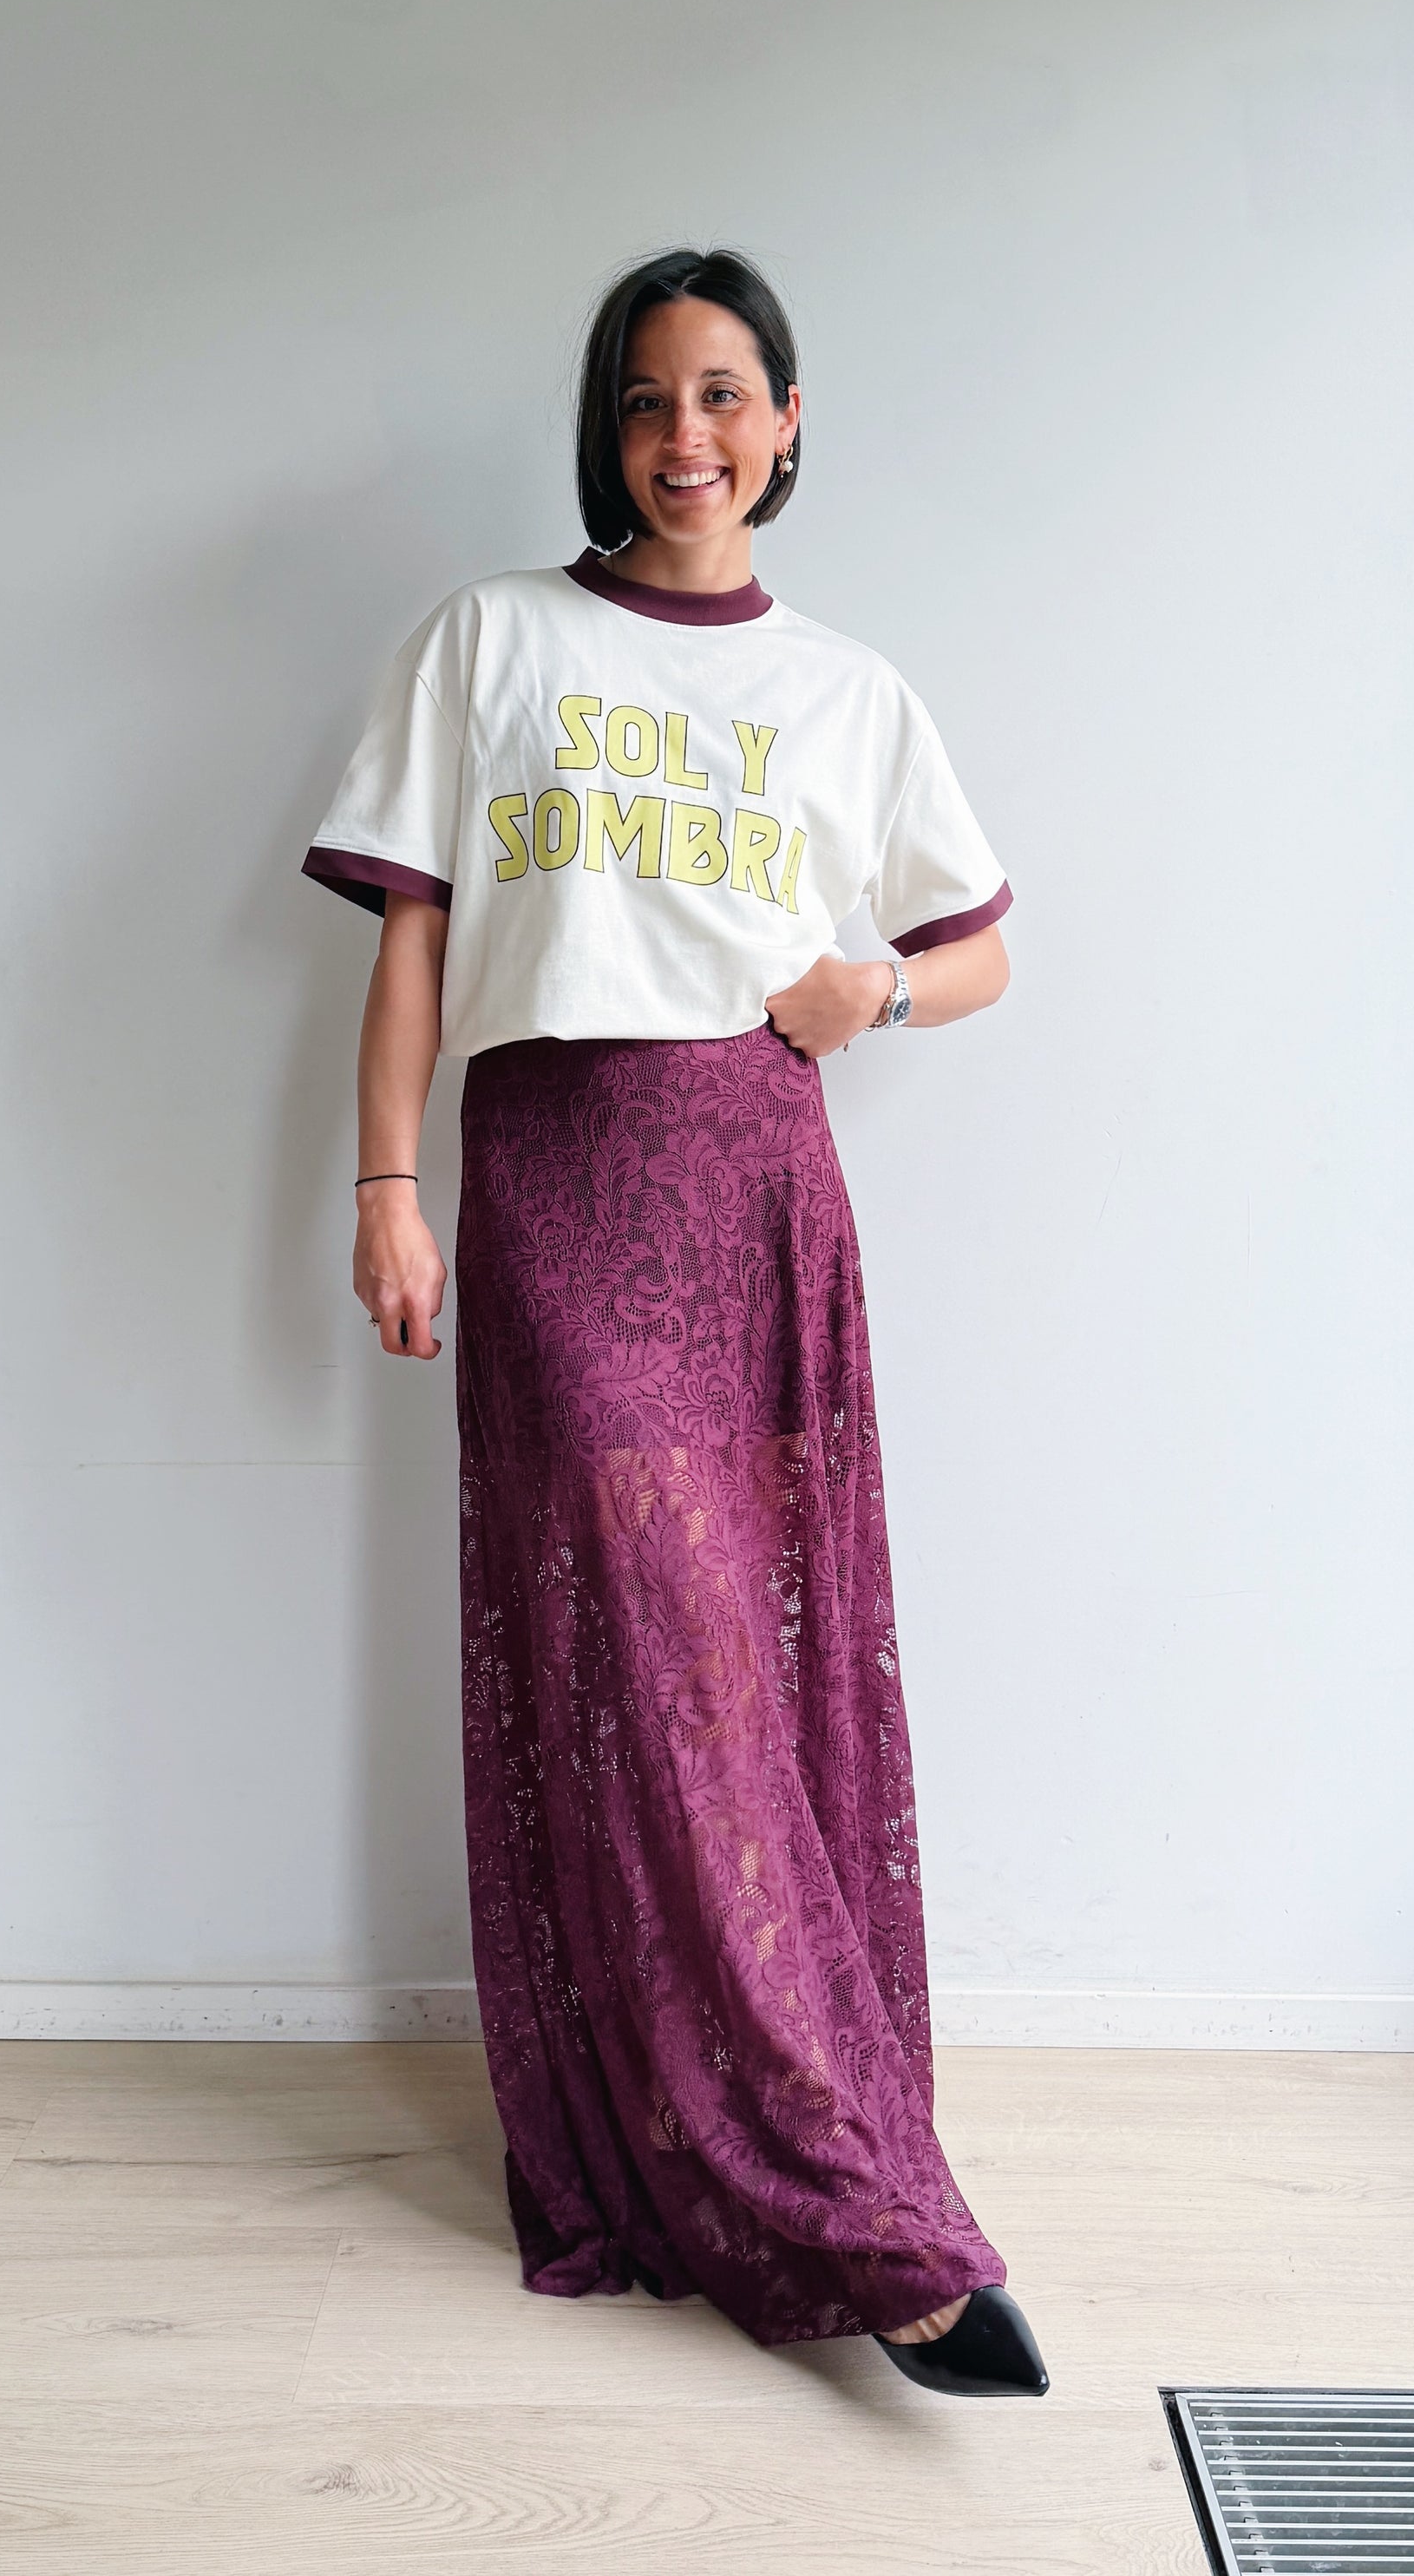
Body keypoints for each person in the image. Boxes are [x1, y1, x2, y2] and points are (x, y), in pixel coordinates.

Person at [301, 247, 1046, 2398]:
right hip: (556, 1175)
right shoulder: (491, 639)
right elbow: (413, 940)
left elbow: (984, 948)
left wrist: (872, 989)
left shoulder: (846, 688)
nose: (685, 435)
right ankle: (835, 2198)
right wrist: (385, 1187)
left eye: (724, 394)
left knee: (751, 1679)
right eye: (646, 399)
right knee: (656, 1663)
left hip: (759, 1179)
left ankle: (796, 2143)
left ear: (788, 422)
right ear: (607, 432)